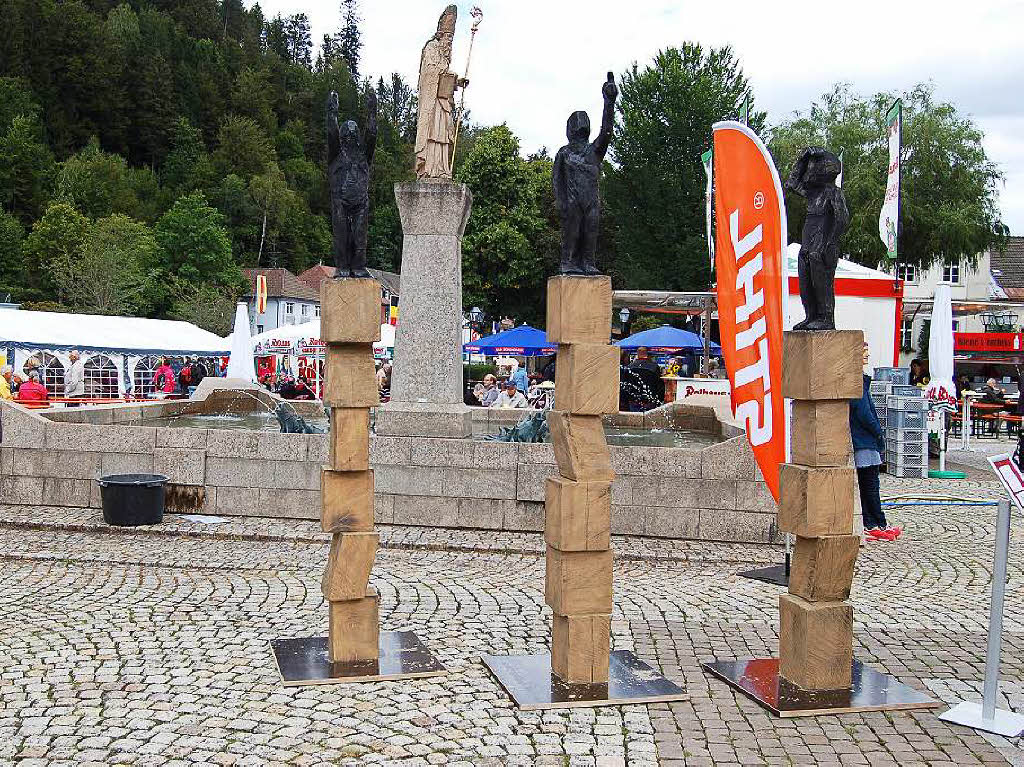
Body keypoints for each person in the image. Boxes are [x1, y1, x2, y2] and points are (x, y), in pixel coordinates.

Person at [850, 342, 901, 541]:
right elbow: (863, 412)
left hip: (864, 440)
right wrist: (877, 431)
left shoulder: (860, 381)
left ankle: (876, 521)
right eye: (864, 353)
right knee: (869, 484)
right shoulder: (857, 382)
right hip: (864, 440)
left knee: (869, 483)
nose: (867, 356)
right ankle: (873, 522)